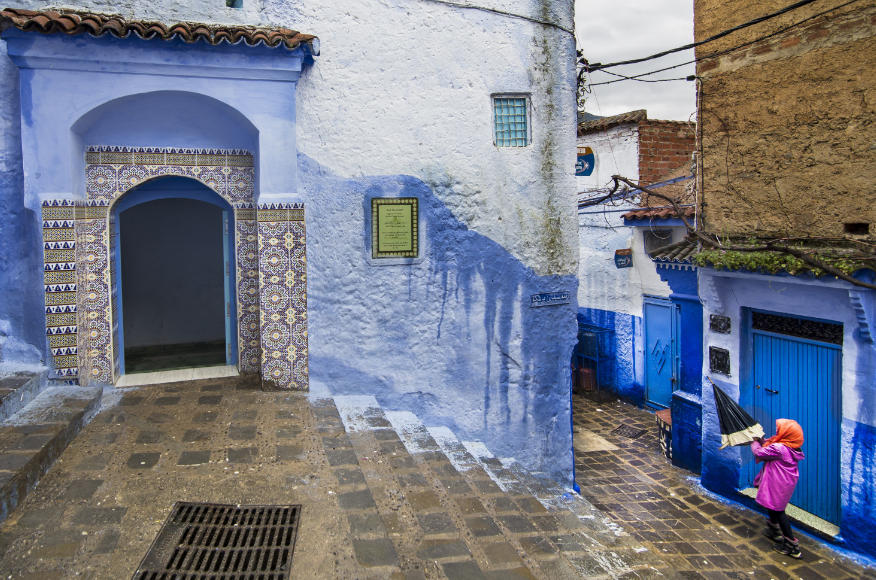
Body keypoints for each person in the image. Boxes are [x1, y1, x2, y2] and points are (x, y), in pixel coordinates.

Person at [751, 418, 805, 559]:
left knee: (779, 511)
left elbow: (759, 452)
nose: (776, 430)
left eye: (779, 429)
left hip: (777, 483)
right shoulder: (790, 446)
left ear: (787, 433)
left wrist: (753, 440)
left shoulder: (779, 449)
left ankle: (792, 546)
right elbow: (768, 448)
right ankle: (773, 530)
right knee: (773, 505)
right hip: (783, 484)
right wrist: (761, 437)